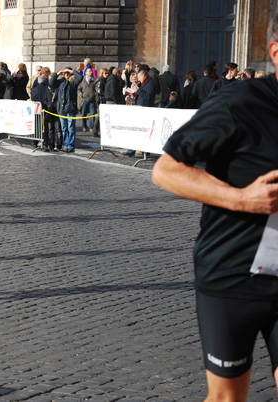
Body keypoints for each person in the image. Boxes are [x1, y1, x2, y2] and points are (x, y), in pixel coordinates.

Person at [151, 13, 278, 399]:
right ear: (276, 52)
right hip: (231, 276)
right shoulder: (240, 101)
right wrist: (241, 198)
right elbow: (166, 170)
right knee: (227, 397)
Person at [49, 67, 83, 152]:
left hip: (70, 108)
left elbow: (80, 77)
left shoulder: (73, 82)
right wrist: (57, 74)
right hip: (61, 108)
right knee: (64, 128)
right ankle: (66, 144)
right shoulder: (60, 82)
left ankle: (71, 146)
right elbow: (51, 83)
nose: (66, 74)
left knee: (71, 127)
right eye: (65, 73)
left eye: (68, 73)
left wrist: (72, 71)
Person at [77, 66, 96, 132]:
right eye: (89, 71)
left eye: (91, 71)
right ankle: (84, 126)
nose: (91, 72)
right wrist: (80, 94)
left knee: (92, 114)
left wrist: (95, 94)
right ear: (86, 72)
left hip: (92, 99)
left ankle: (91, 127)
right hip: (84, 99)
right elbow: (79, 88)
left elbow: (96, 89)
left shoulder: (94, 80)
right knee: (83, 114)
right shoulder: (83, 80)